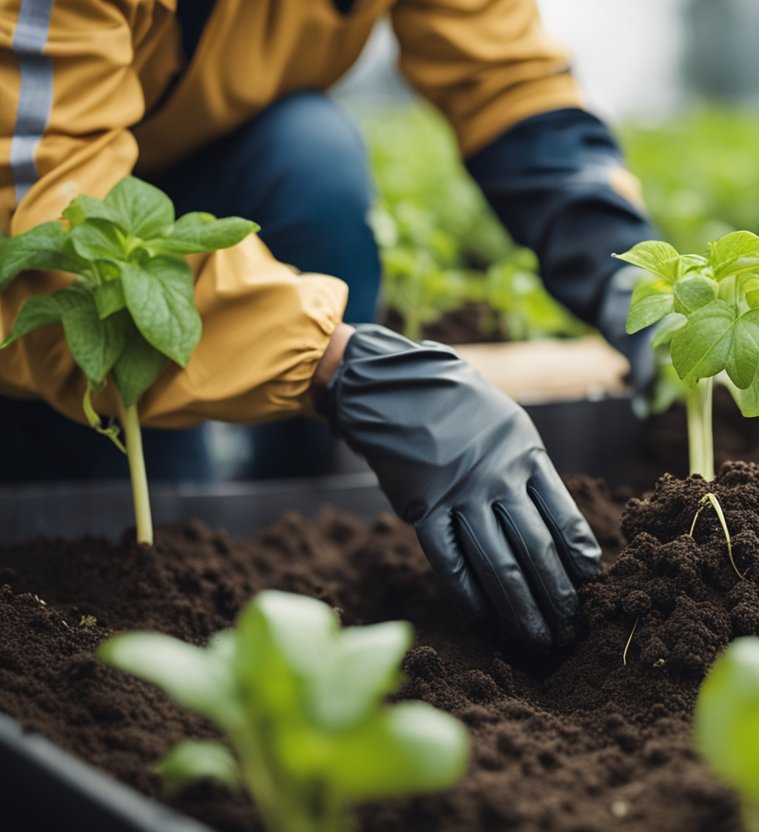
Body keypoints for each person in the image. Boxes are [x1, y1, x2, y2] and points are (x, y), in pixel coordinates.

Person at [0, 0, 659, 652]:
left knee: (312, 161)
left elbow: (508, 80)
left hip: (183, 151)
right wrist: (332, 363)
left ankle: (290, 531)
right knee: (104, 544)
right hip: (51, 178)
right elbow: (39, 209)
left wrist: (626, 269)